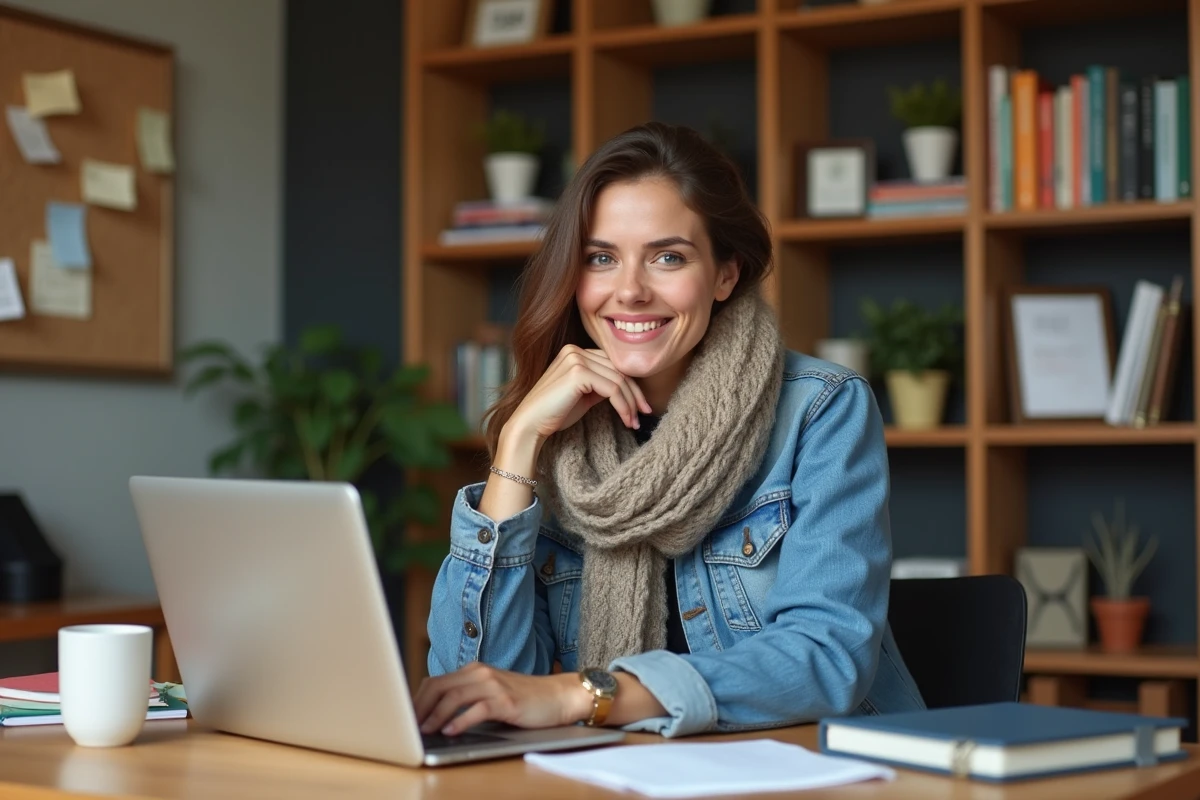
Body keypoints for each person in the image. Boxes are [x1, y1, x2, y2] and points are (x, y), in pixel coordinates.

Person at [415, 121, 926, 739]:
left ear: (724, 275)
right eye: (600, 258)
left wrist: (585, 695)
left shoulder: (821, 410)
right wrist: (519, 443)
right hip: (627, 774)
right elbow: (474, 687)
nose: (629, 291)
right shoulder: (555, 436)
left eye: (667, 257)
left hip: (815, 766)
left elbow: (825, 659)